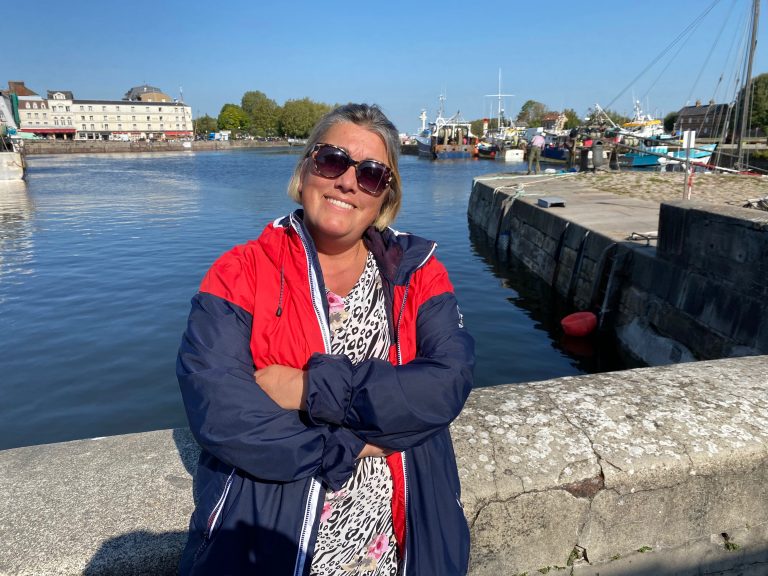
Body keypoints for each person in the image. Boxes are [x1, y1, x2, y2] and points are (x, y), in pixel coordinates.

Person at [177, 103, 475, 576]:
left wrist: (305, 389)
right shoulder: (241, 271)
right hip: (272, 546)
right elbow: (221, 411)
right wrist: (354, 445)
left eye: (373, 174)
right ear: (306, 168)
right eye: (333, 160)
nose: (348, 182)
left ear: (385, 196)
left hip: (403, 547)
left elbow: (446, 386)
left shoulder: (420, 272)